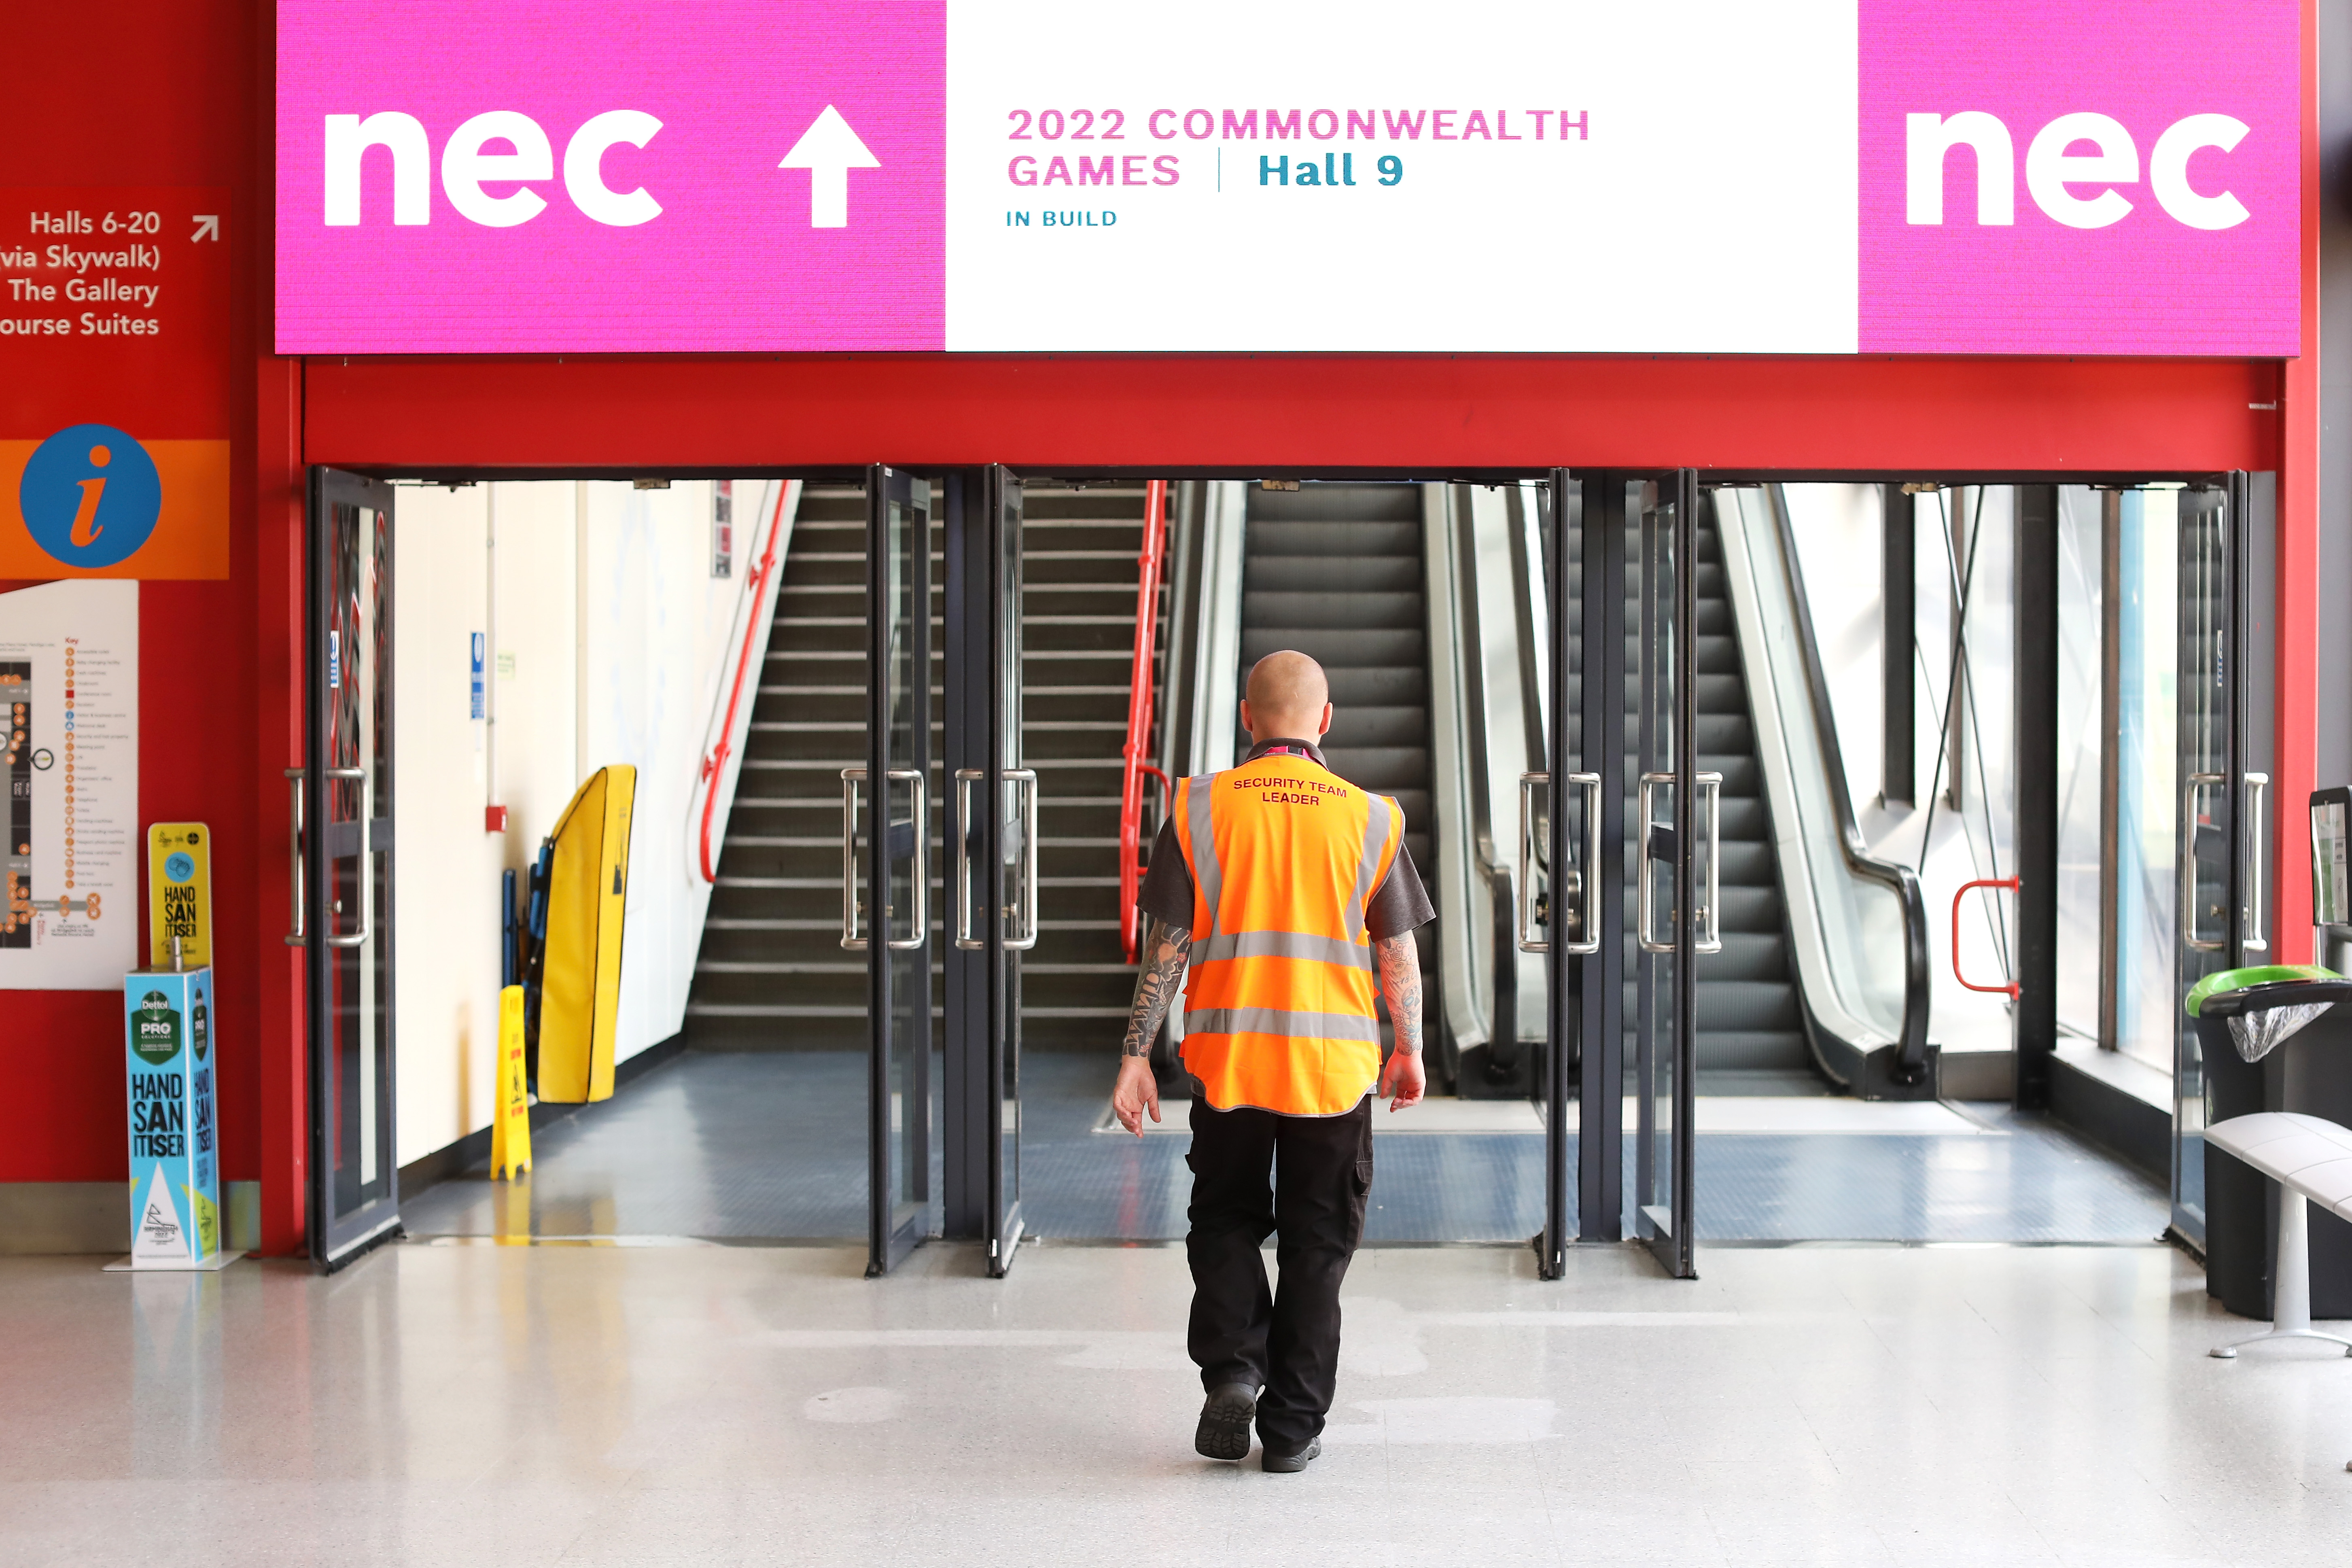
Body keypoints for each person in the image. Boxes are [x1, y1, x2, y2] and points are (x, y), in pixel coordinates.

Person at [1111, 649, 1435, 1474]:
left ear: (1248, 721)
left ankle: (1232, 1367)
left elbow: (1168, 948)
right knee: (1318, 1245)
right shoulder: (1370, 818)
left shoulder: (1198, 809)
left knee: (1222, 1221)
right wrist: (1409, 1047)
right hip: (1331, 1075)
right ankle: (1292, 1431)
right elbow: (1396, 952)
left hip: (1230, 1065)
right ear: (1324, 722)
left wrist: (1136, 1056)